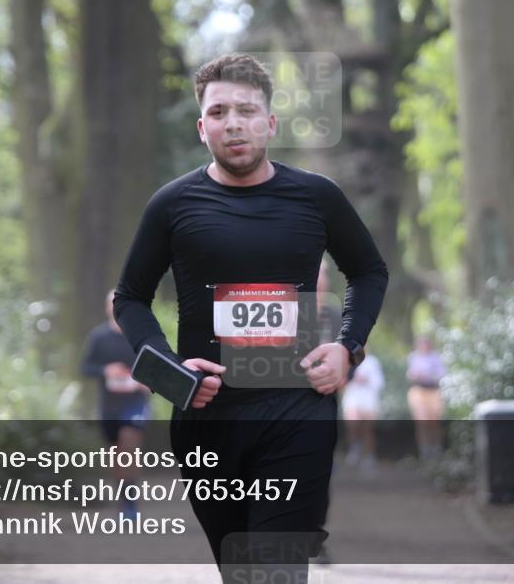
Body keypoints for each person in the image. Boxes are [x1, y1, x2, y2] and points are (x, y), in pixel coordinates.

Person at [113, 53, 388, 581]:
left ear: (270, 122)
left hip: (297, 410)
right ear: (201, 127)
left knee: (274, 570)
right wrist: (171, 374)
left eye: (245, 110)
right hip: (207, 420)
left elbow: (369, 272)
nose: (233, 122)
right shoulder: (172, 205)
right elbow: (129, 298)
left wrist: (346, 346)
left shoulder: (316, 197)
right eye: (218, 112)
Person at [80, 290, 152, 520]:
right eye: (112, 303)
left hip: (136, 403)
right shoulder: (99, 337)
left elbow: (158, 365)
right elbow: (86, 368)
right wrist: (105, 370)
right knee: (117, 453)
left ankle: (131, 503)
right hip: (109, 405)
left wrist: (146, 381)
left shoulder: (140, 335)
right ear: (106, 308)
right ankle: (124, 497)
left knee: (129, 445)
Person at [341, 351, 384, 471]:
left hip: (368, 401)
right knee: (352, 425)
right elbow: (343, 380)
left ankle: (369, 455)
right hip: (353, 399)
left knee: (367, 430)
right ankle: (355, 449)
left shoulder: (373, 362)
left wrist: (366, 380)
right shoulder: (348, 360)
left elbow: (379, 382)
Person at [406, 334, 446, 458]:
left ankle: (436, 447)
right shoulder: (413, 357)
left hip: (433, 391)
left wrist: (428, 375)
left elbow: (442, 374)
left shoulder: (435, 357)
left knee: (434, 421)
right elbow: (410, 373)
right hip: (419, 391)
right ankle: (424, 449)